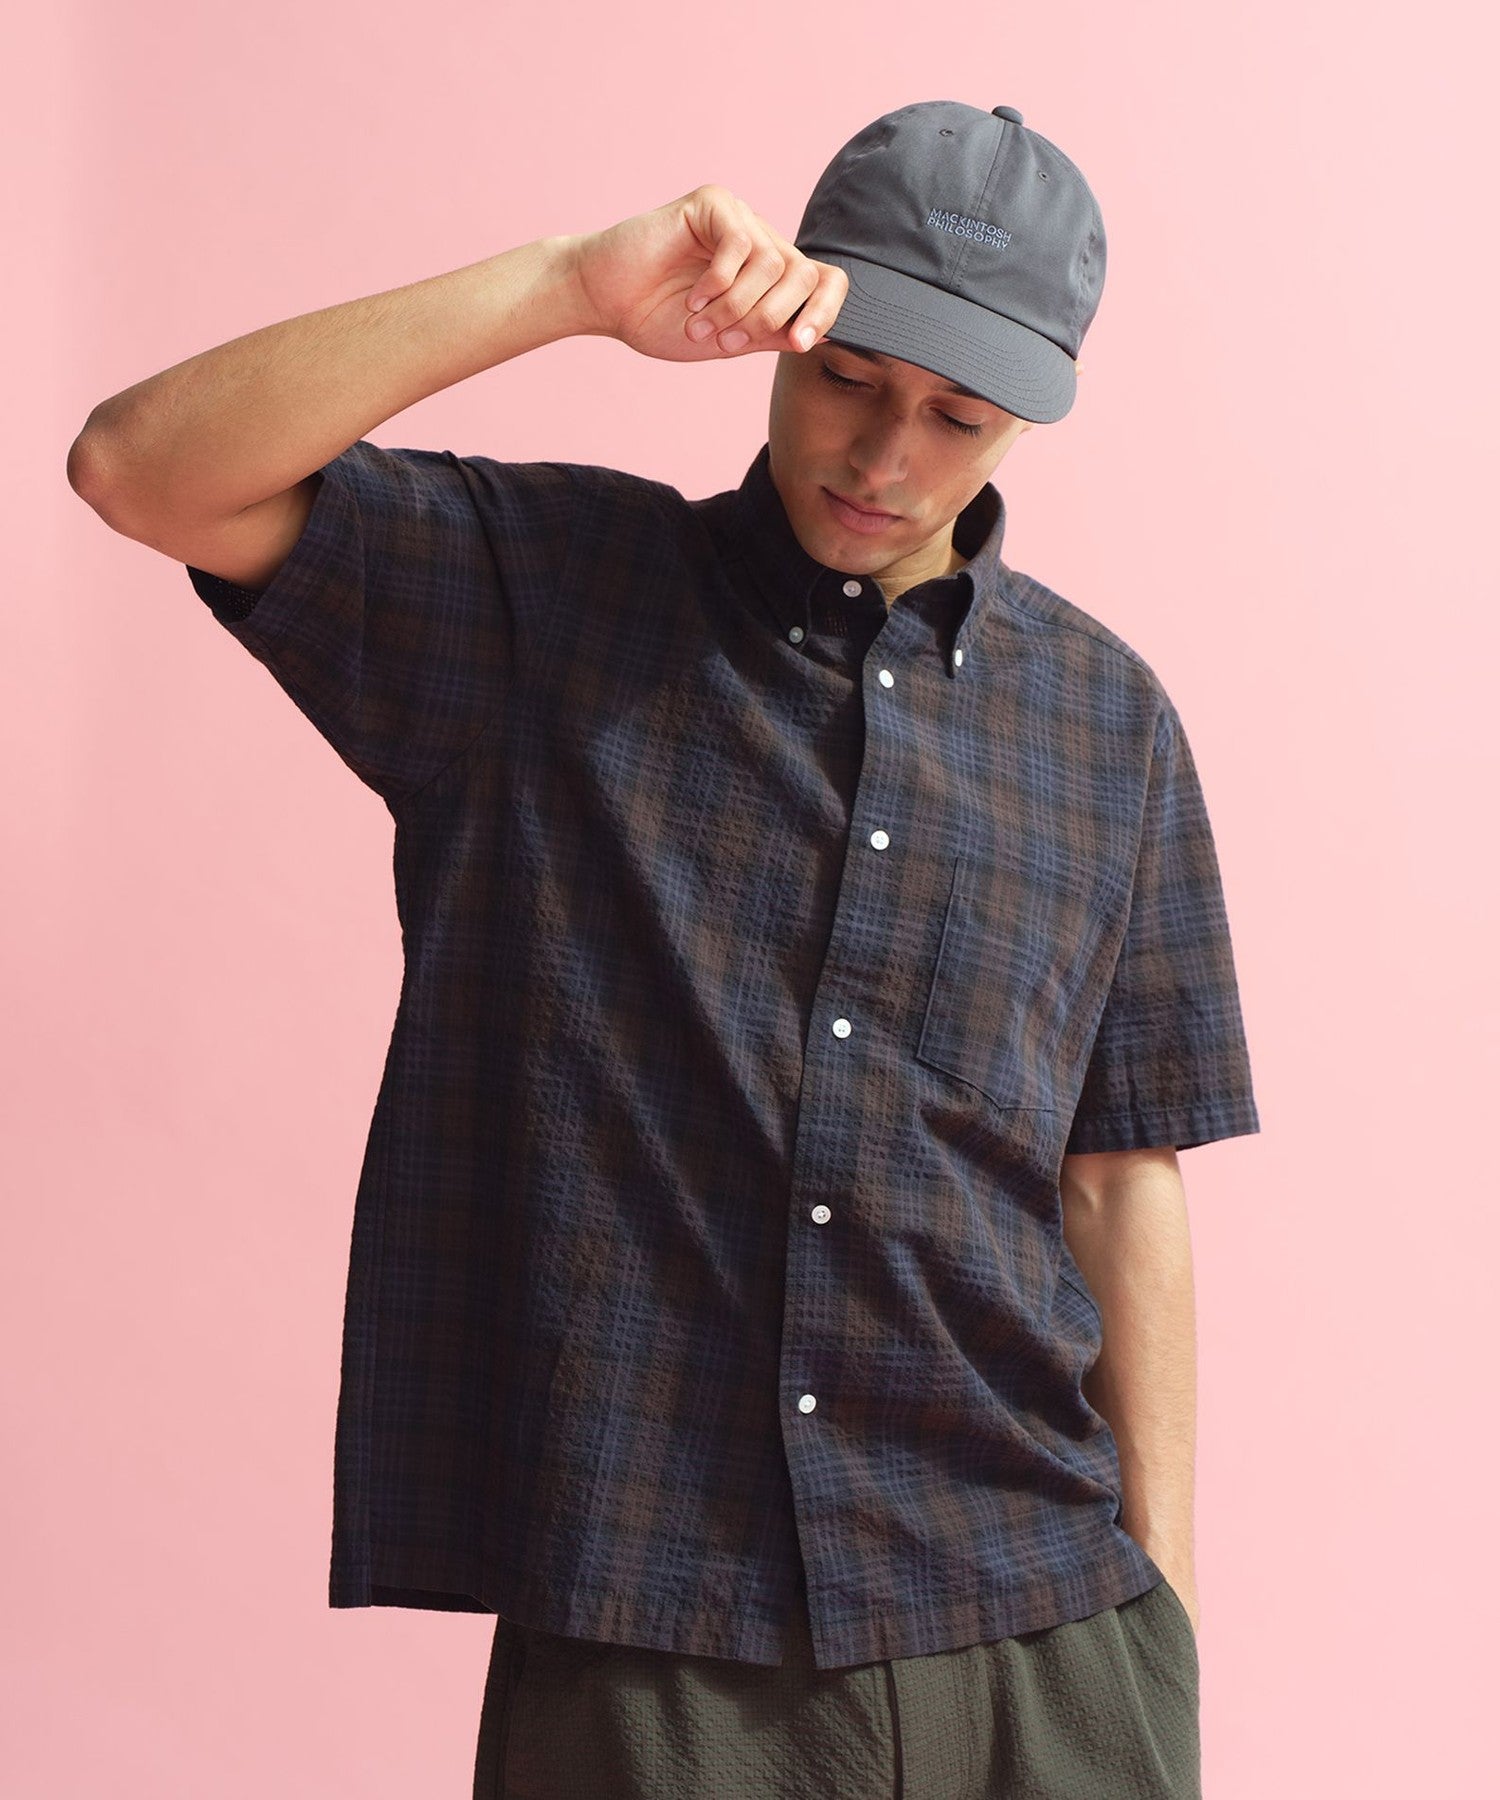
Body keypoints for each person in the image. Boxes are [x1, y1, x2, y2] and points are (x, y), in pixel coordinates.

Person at [69, 100, 1258, 1799]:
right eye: (848, 377)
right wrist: (565, 285)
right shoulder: (541, 601)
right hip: (656, 1643)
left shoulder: (1110, 726)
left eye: (957, 417)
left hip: (1041, 1630)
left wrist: (1166, 1621)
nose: (885, 459)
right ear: (784, 322)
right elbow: (139, 468)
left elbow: (1123, 1177)